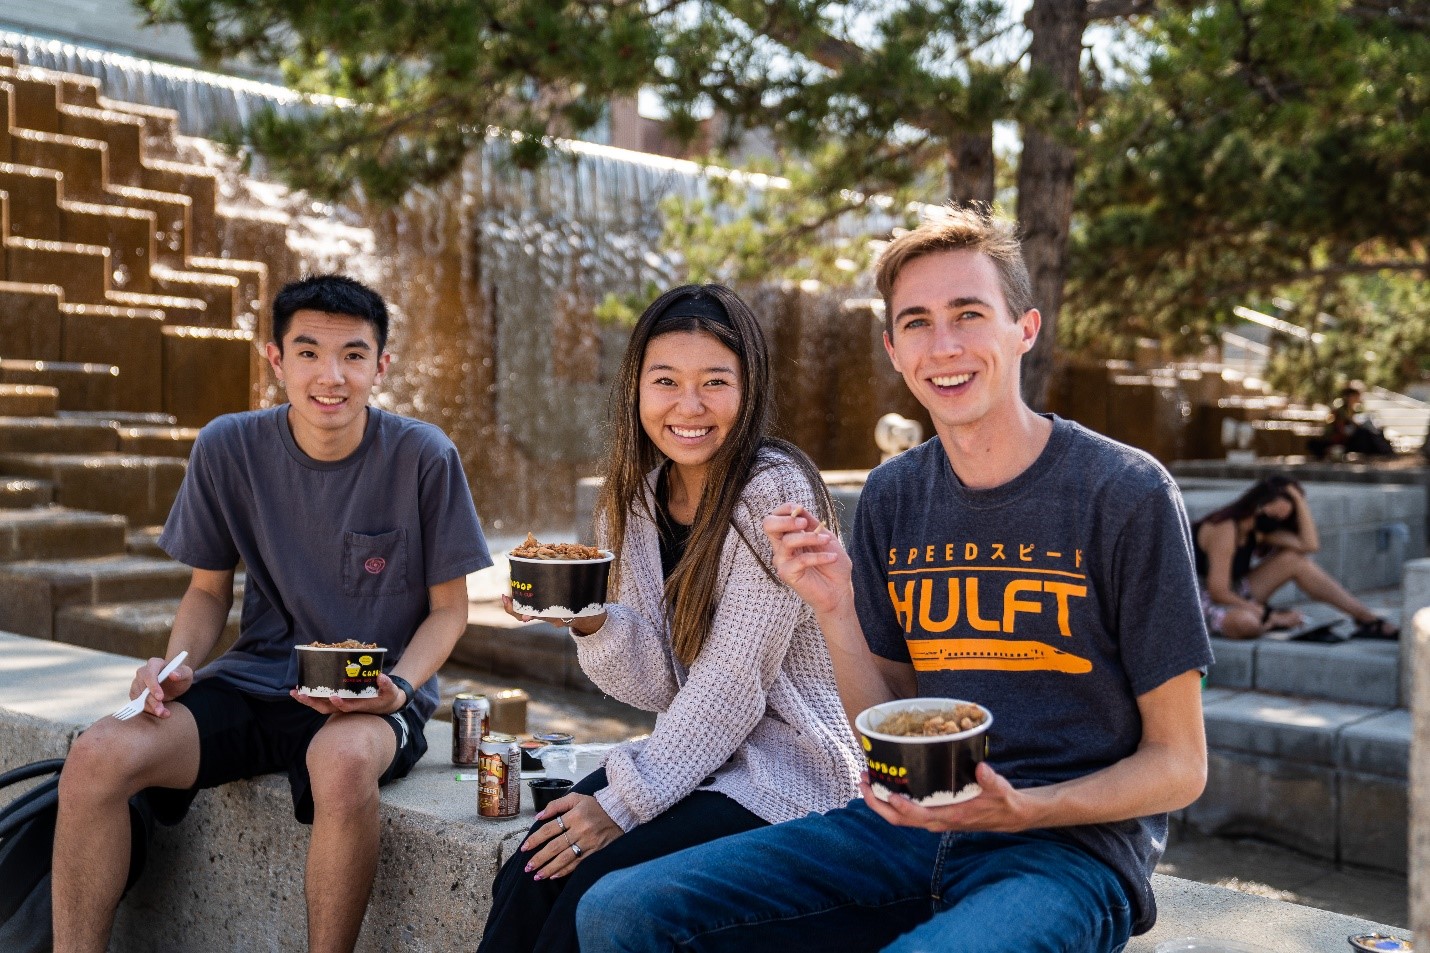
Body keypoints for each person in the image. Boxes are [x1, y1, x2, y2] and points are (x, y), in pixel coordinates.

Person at [574, 206, 1214, 953]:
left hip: (1063, 854)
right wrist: (836, 609)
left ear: (1025, 328)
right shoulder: (893, 494)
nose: (943, 345)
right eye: (916, 322)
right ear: (893, 348)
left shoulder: (1126, 492)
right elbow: (884, 722)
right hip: (898, 830)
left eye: (968, 314)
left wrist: (1025, 809)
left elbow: (1180, 765)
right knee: (618, 911)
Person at [52, 275, 493, 953]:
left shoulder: (423, 456)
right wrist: (173, 667)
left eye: (353, 355)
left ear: (381, 365)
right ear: (275, 359)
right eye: (309, 352)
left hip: (373, 698)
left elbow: (448, 611)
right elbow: (207, 592)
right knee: (96, 753)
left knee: (344, 764)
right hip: (258, 679)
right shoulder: (229, 447)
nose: (331, 375)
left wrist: (398, 688)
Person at [479, 284, 862, 953]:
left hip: (787, 771)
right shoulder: (630, 503)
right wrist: (590, 618)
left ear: (749, 388)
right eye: (666, 381)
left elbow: (733, 682)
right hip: (701, 760)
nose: (689, 405)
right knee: (529, 869)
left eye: (715, 381)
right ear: (635, 387)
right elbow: (661, 686)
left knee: (586, 891)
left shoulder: (774, 489)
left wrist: (621, 805)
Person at [1193, 474, 1399, 640]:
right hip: (1199, 600)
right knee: (1247, 624)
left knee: (1293, 560)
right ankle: (1273, 621)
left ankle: (1367, 619)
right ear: (1259, 504)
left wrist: (1299, 500)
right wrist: (1267, 614)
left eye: (1282, 520)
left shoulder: (1257, 531)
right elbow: (1218, 592)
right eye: (1274, 516)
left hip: (1234, 591)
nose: (1277, 522)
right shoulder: (1224, 529)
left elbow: (1309, 545)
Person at [1309, 385, 1395, 459]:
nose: (1359, 398)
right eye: (1357, 396)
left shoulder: (1356, 410)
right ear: (1350, 396)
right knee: (1365, 433)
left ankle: (1385, 451)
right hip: (1342, 440)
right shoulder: (1339, 410)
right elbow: (1339, 429)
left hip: (1351, 437)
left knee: (1376, 432)